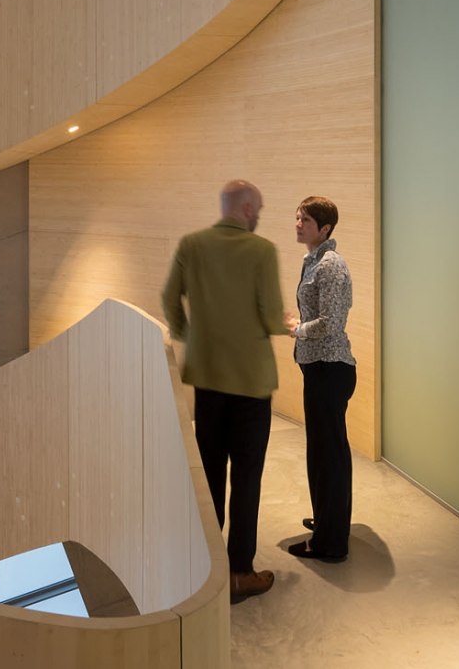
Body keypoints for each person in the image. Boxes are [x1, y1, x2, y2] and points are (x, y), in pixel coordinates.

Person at [162, 180, 285, 603]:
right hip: (250, 384)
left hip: (208, 380)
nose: (260, 216)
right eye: (260, 209)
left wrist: (190, 336)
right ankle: (239, 574)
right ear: (247, 209)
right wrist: (281, 321)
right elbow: (271, 317)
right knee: (247, 479)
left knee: (210, 472)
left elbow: (168, 298)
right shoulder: (262, 251)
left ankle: (206, 568)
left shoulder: (192, 244)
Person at [282, 196, 355, 563]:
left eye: (305, 219)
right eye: (297, 217)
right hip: (320, 368)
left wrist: (296, 329)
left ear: (324, 228)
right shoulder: (313, 260)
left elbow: (331, 323)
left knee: (328, 457)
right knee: (328, 454)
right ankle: (330, 523)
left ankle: (330, 544)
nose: (298, 223)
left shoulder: (330, 266)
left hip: (330, 368)